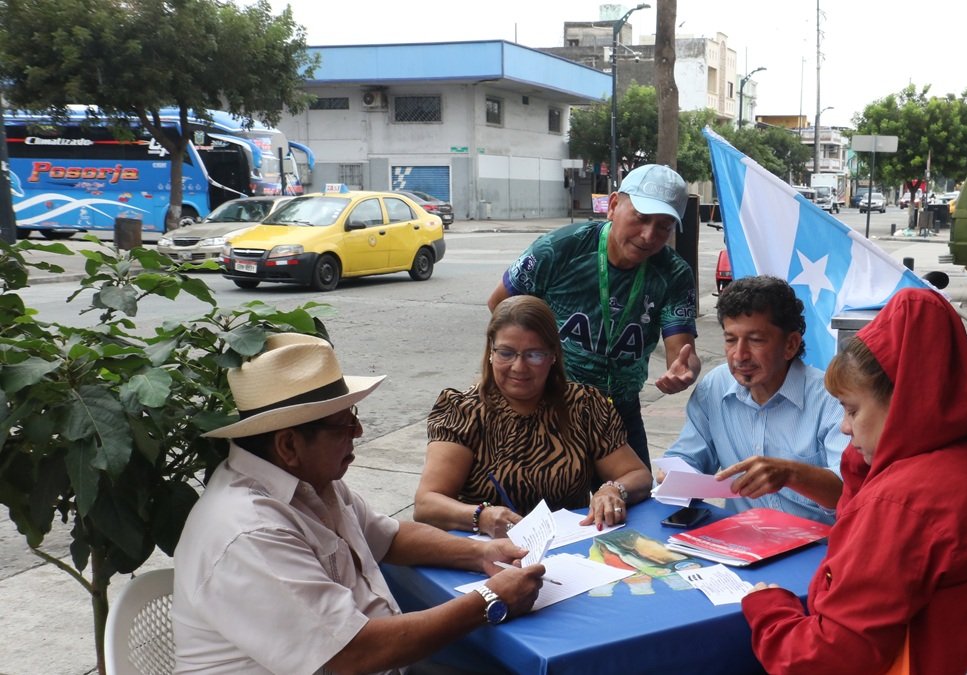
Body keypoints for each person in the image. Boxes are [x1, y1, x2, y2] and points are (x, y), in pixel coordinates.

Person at [173, 333, 545, 674]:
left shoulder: (310, 483)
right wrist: (489, 601)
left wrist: (480, 554)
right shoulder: (248, 531)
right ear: (288, 446)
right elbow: (353, 654)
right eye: (343, 426)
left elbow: (390, 536)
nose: (359, 432)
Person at [741, 289, 967, 674]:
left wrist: (767, 607)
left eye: (852, 410)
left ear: (904, 402)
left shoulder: (903, 502)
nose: (845, 427)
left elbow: (822, 661)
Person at [486, 163, 701, 467]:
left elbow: (682, 352)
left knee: (633, 499)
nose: (649, 235)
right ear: (613, 206)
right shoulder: (561, 248)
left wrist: (686, 370)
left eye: (664, 226)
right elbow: (500, 305)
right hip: (551, 402)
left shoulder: (674, 273)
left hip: (620, 410)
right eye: (641, 218)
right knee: (542, 505)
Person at [415, 295, 652, 537]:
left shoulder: (584, 406)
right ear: (490, 352)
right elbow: (427, 504)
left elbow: (638, 475)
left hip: (570, 547)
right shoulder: (464, 411)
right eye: (506, 353)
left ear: (553, 356)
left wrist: (613, 490)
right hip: (487, 553)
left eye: (534, 355)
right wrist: (481, 517)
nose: (519, 367)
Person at [662, 275, 848, 525]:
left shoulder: (832, 400)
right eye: (730, 340)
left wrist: (791, 474)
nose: (739, 355)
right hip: (740, 541)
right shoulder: (715, 387)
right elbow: (689, 457)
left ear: (790, 345)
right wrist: (674, 474)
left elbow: (851, 491)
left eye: (756, 340)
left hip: (817, 547)